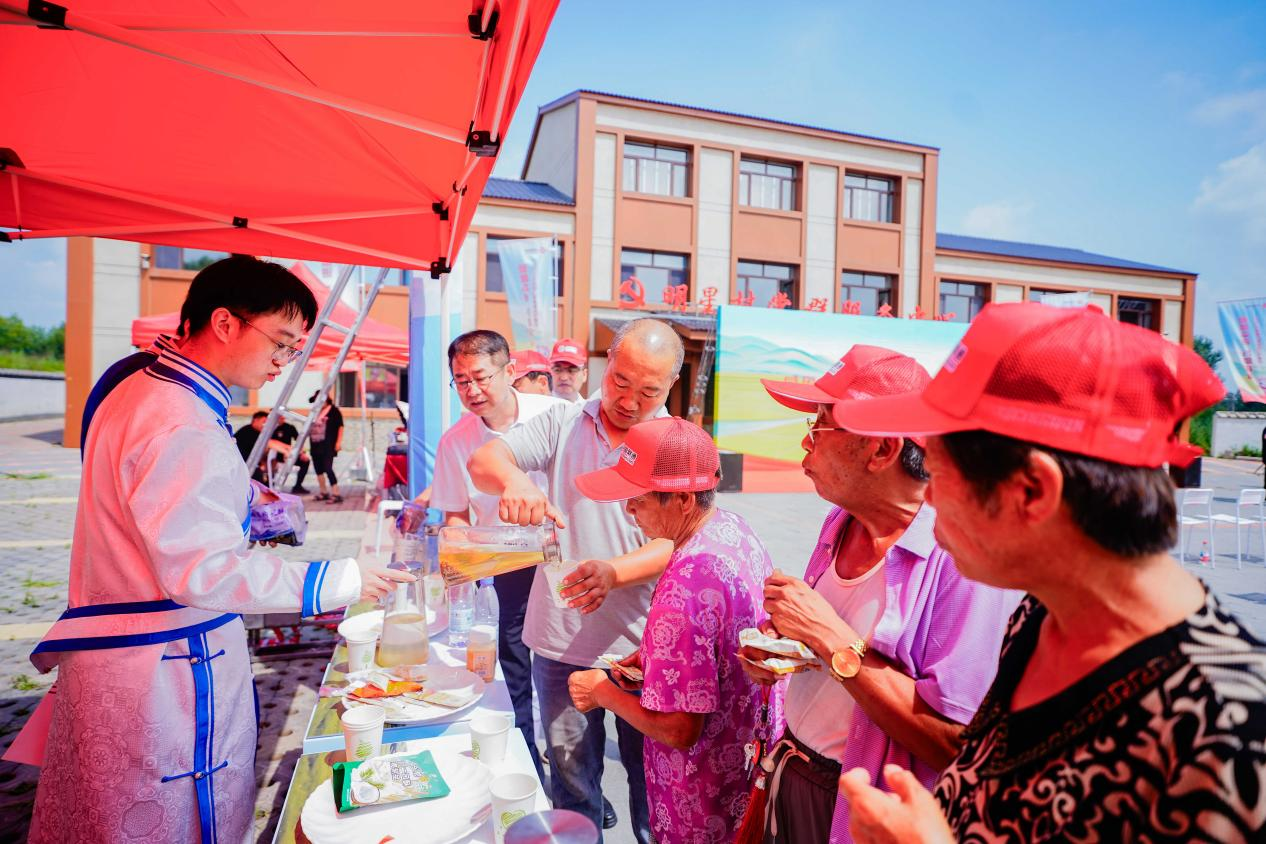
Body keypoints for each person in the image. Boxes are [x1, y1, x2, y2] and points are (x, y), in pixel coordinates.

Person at [832, 302, 1265, 843]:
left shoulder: (1228, 725)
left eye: (938, 474)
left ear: (1033, 491)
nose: (929, 500)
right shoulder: (1039, 616)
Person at [24, 256, 411, 844]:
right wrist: (337, 579)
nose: (283, 361)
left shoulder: (138, 382)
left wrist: (254, 504)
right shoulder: (184, 420)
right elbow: (204, 569)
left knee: (103, 814)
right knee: (163, 819)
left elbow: (160, 500)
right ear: (225, 322)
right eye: (280, 342)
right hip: (164, 667)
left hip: (119, 656)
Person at [737, 346, 1019, 843]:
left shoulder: (961, 559)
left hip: (866, 813)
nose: (805, 444)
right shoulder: (841, 521)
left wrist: (829, 639)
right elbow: (821, 640)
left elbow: (959, 744)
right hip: (794, 772)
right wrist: (783, 647)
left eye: (819, 427)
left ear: (882, 450)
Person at [468, 317, 686, 842]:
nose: (629, 401)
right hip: (561, 643)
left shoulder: (677, 444)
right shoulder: (564, 421)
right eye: (620, 381)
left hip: (643, 649)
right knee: (572, 784)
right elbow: (484, 460)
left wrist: (614, 572)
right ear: (605, 365)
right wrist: (516, 480)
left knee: (654, 794)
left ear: (671, 385)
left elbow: (681, 540)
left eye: (648, 391)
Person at [567, 417, 784, 843]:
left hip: (699, 797)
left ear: (683, 499)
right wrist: (654, 658)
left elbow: (679, 729)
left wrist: (602, 692)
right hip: (745, 768)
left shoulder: (684, 586)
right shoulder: (732, 528)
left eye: (638, 499)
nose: (629, 510)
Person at [430, 330, 564, 780]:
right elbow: (455, 514)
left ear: (510, 371)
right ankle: (528, 768)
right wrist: (458, 574)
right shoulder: (455, 441)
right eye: (461, 381)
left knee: (564, 671)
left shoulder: (554, 415)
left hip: (565, 558)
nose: (472, 390)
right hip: (506, 568)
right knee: (513, 670)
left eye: (481, 377)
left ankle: (573, 777)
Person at [233, 409, 292, 483]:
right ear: (256, 420)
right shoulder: (248, 431)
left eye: (267, 422)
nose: (265, 425)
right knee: (259, 479)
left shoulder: (257, 432)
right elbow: (269, 443)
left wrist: (288, 448)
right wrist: (285, 451)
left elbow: (272, 442)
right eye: (264, 422)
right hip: (240, 464)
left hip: (247, 463)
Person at [308, 390, 344, 503]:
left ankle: (336, 493)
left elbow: (340, 427)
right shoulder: (314, 411)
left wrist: (338, 442)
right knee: (318, 469)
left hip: (328, 444)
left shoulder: (334, 411)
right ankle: (323, 492)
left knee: (328, 468)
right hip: (315, 444)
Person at [272, 416, 312, 494]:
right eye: (279, 417)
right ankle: (270, 485)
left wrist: (302, 453)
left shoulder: (289, 427)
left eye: (282, 417)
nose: (281, 418)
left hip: (288, 455)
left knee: (305, 461)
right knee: (270, 462)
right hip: (273, 455)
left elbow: (299, 441)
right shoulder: (269, 428)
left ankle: (298, 486)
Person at [550, 337, 589, 403]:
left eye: (571, 370)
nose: (564, 377)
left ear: (584, 375)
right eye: (557, 370)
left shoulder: (589, 408)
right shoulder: (538, 407)